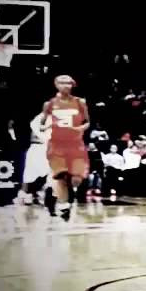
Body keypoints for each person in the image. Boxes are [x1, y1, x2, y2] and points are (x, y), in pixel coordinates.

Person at [40, 75, 90, 220]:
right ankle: (63, 206)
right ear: (56, 84)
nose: (66, 85)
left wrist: (80, 129)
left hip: (75, 144)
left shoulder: (80, 102)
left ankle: (52, 192)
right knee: (60, 175)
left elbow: (87, 122)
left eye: (68, 83)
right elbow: (42, 124)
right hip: (57, 145)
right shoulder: (49, 104)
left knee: (75, 179)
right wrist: (48, 126)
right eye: (62, 83)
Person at [17, 110, 51, 206]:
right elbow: (35, 138)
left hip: (45, 150)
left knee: (47, 173)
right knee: (29, 174)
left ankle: (39, 194)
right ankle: (25, 195)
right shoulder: (36, 126)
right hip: (35, 149)